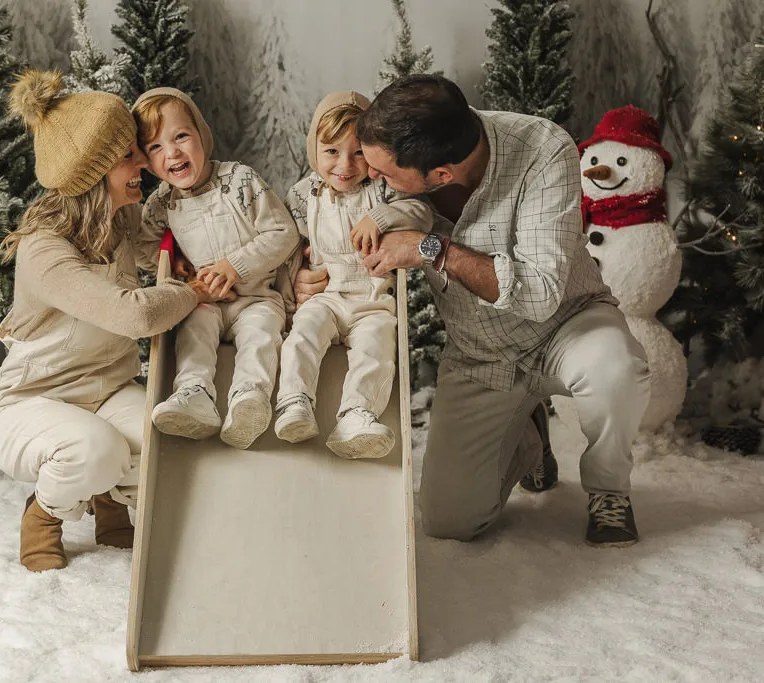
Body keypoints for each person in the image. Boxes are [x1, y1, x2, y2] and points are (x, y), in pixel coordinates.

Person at [295, 74, 650, 548]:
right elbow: (321, 231)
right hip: (481, 352)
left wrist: (430, 248)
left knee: (617, 368)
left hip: (568, 322)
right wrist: (299, 273)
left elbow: (542, 292)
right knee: (449, 520)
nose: (370, 178)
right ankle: (528, 437)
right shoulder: (390, 157)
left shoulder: (543, 147)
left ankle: (608, 490)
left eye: (383, 174)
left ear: (439, 177)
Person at [0, 70, 220, 572]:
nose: (142, 164)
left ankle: (110, 499)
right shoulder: (45, 251)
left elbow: (192, 234)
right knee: (97, 448)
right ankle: (45, 515)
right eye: (129, 155)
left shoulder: (122, 221)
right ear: (93, 174)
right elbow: (131, 315)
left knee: (171, 444)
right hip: (31, 403)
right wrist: (189, 291)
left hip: (106, 391)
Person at [132, 88, 299, 450]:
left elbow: (284, 231)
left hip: (255, 297)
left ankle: (249, 398)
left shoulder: (239, 180)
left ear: (201, 136)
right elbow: (143, 247)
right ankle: (194, 395)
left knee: (261, 336)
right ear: (145, 159)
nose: (172, 152)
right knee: (192, 332)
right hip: (203, 300)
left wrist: (235, 266)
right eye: (156, 147)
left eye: (180, 137)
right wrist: (177, 266)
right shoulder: (162, 201)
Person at [275, 91, 434, 459]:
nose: (345, 164)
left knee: (376, 349)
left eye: (359, 152)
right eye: (331, 151)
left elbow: (420, 214)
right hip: (326, 296)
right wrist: (291, 292)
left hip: (372, 299)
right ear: (314, 148)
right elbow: (286, 250)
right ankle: (294, 401)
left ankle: (356, 415)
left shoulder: (383, 188)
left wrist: (379, 217)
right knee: (302, 336)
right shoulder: (303, 195)